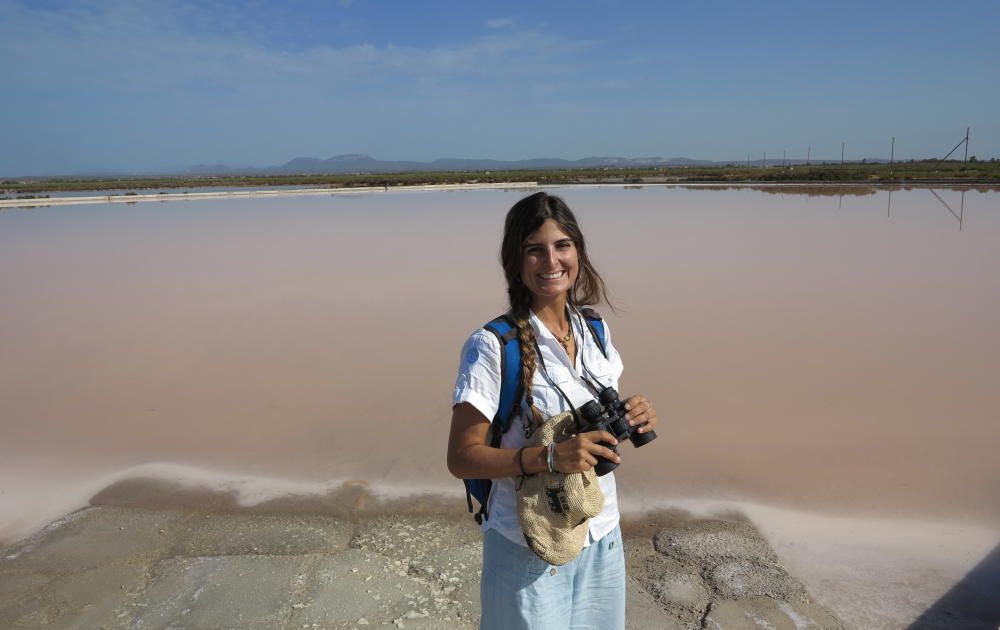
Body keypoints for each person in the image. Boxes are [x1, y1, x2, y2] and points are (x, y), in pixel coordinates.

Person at [447, 191, 658, 630]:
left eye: (562, 245)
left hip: (601, 530)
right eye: (534, 250)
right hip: (528, 544)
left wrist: (631, 416)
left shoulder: (594, 329)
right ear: (515, 261)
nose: (551, 261)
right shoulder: (491, 345)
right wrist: (548, 457)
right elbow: (461, 457)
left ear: (578, 250)